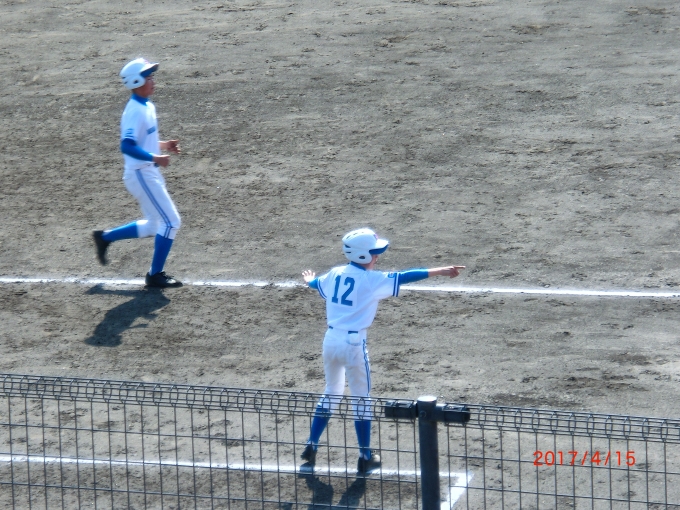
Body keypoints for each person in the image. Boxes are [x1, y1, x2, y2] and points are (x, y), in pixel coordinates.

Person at [300, 228, 465, 475]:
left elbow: (315, 284)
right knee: (361, 398)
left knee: (331, 391)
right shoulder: (372, 280)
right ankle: (365, 456)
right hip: (353, 345)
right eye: (374, 253)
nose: (377, 257)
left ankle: (311, 444)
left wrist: (309, 280)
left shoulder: (334, 273)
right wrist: (440, 270)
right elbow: (405, 276)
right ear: (364, 255)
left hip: (330, 341)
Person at [92, 58, 183, 288]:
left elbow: (145, 141)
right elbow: (127, 146)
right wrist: (155, 158)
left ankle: (104, 237)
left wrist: (163, 146)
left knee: (154, 225)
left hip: (147, 172)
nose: (153, 80)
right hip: (141, 174)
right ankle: (155, 275)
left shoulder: (147, 105)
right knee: (171, 222)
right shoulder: (135, 111)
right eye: (148, 77)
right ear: (136, 81)